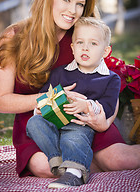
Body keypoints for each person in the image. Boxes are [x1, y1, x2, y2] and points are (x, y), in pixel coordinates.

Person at [0, 0, 140, 179]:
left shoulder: (82, 38)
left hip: (81, 120)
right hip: (39, 124)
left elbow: (107, 80)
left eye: (80, 4)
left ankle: (84, 164)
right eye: (66, 0)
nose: (73, 11)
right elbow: (1, 101)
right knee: (45, 166)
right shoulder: (13, 39)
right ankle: (82, 165)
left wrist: (104, 121)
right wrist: (50, 98)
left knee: (121, 160)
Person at [26, 16, 121, 188]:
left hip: (80, 123)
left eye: (93, 43)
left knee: (73, 136)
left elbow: (108, 107)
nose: (85, 47)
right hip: (55, 121)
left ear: (106, 51)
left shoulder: (110, 79)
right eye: (80, 42)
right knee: (34, 123)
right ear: (72, 47)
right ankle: (57, 160)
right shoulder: (59, 73)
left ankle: (74, 174)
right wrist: (41, 107)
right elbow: (44, 96)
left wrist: (87, 105)